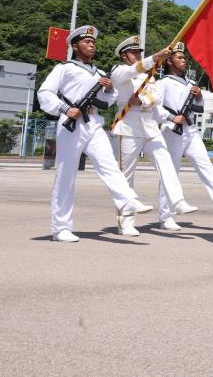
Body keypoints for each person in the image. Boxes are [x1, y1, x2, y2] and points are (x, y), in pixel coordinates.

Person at [37, 26, 154, 242]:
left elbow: (107, 101)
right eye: (86, 42)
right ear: (75, 46)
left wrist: (109, 89)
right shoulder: (65, 68)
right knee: (66, 175)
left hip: (93, 122)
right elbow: (45, 92)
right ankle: (61, 228)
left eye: (93, 42)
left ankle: (128, 200)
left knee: (108, 164)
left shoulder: (101, 73)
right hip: (71, 123)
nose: (92, 45)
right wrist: (63, 109)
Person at [110, 36, 197, 235]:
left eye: (140, 52)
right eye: (134, 52)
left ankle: (177, 201)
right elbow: (133, 70)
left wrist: (142, 100)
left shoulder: (148, 76)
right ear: (124, 55)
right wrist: (155, 57)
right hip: (129, 125)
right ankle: (126, 221)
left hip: (149, 124)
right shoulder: (120, 71)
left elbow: (157, 98)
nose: (139, 55)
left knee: (165, 162)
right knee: (126, 175)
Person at [157, 45, 213, 223]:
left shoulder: (190, 83)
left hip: (190, 130)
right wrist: (171, 117)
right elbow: (155, 106)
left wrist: (198, 96)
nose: (183, 60)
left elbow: (199, 108)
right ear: (169, 61)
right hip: (172, 131)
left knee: (205, 164)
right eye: (179, 57)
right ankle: (166, 216)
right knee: (170, 172)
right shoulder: (162, 82)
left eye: (183, 57)